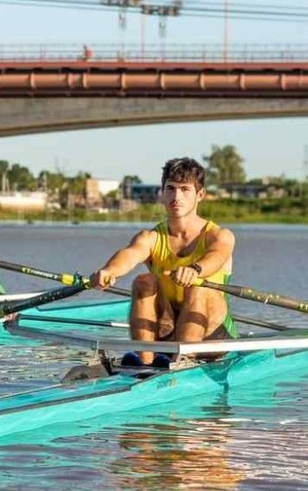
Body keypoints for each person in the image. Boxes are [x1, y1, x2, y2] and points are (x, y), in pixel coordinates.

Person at [89, 157, 238, 366]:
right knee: (143, 281)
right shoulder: (150, 238)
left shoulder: (219, 235)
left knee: (198, 288)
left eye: (185, 189)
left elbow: (216, 256)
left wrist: (195, 269)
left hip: (211, 335)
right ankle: (145, 362)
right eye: (171, 188)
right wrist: (108, 271)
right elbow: (130, 255)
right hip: (168, 328)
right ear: (162, 193)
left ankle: (183, 361)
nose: (176, 196)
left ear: (200, 195)